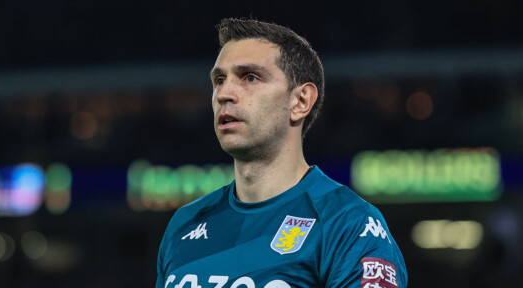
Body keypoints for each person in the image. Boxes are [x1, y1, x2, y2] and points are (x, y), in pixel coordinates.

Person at [155, 18, 407, 288]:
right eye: (219, 80)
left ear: (300, 101)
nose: (223, 93)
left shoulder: (349, 223)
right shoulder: (184, 224)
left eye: (250, 77)